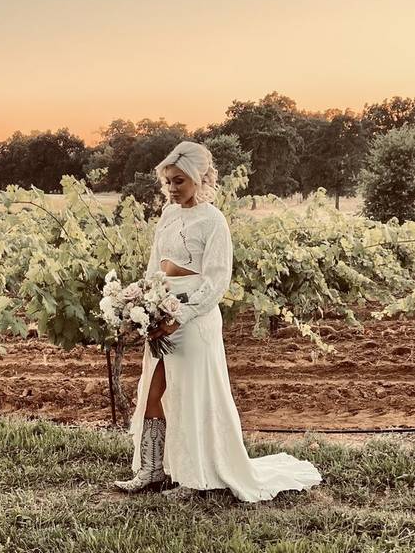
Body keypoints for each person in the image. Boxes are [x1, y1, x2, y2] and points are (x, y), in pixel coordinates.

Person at [113, 140, 323, 501]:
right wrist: (144, 305)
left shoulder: (213, 220)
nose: (172, 189)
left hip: (192, 319)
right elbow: (154, 265)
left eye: (179, 181)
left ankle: (197, 479)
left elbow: (216, 280)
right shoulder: (167, 216)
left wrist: (181, 315)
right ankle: (152, 471)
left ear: (198, 178)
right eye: (168, 182)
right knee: (154, 391)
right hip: (160, 311)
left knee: (192, 395)